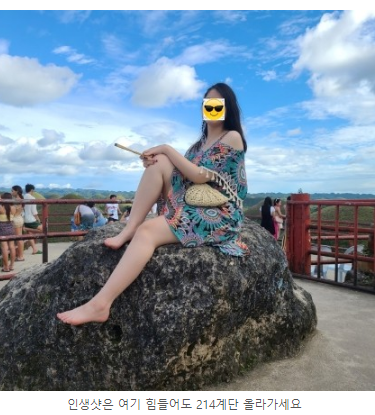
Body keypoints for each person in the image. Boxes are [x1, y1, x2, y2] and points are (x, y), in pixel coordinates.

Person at [57, 82, 248, 325]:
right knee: (159, 162)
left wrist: (165, 149)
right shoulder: (198, 145)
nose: (211, 109)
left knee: (148, 231)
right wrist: (154, 160)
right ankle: (130, 228)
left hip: (219, 212)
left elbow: (199, 176)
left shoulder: (232, 137)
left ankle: (100, 305)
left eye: (217, 105)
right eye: (207, 104)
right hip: (195, 202)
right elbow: (182, 174)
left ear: (227, 108)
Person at [0, 192, 16, 272]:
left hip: (2, 228)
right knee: (12, 247)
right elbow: (12, 216)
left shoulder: (0, 208)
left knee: (4, 248)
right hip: (11, 227)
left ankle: (6, 267)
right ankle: (12, 265)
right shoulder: (13, 207)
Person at [23, 183, 42, 254]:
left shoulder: (23, 197)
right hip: (31, 219)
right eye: (33, 190)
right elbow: (34, 211)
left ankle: (35, 249)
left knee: (30, 234)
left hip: (25, 219)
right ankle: (25, 228)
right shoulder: (32, 198)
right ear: (31, 190)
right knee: (43, 229)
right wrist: (38, 219)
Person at [11, 185, 25, 261]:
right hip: (20, 218)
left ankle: (20, 256)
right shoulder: (21, 199)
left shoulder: (16, 200)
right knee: (20, 238)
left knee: (18, 239)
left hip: (16, 219)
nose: (11, 192)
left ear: (16, 191)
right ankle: (20, 255)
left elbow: (13, 212)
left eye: (12, 191)